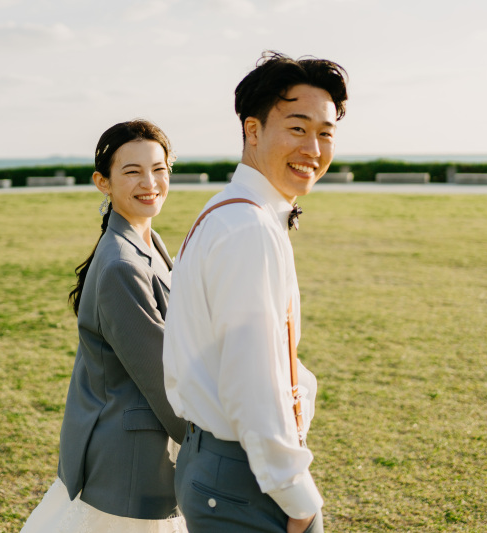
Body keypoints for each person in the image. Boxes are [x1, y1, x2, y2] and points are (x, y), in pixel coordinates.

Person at [162, 52, 348, 533]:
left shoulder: (228, 211)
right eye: (297, 127)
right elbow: (252, 381)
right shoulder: (248, 228)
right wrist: (298, 497)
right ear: (252, 130)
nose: (313, 147)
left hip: (218, 467)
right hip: (244, 481)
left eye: (325, 132)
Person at [20, 119, 188, 533]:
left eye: (159, 169)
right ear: (103, 182)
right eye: (132, 171)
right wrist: (227, 448)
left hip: (139, 449)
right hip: (128, 460)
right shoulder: (119, 265)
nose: (150, 182)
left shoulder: (148, 239)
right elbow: (163, 379)